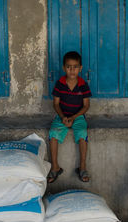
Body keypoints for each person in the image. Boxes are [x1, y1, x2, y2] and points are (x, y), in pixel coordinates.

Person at [47, 51, 92, 183]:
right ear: (63, 68)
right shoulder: (60, 84)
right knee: (53, 133)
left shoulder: (83, 85)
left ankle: (82, 167)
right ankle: (55, 167)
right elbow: (55, 104)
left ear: (80, 68)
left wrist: (73, 117)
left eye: (75, 67)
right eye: (68, 67)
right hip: (62, 115)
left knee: (82, 133)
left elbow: (86, 106)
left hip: (78, 117)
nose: (72, 70)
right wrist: (62, 117)